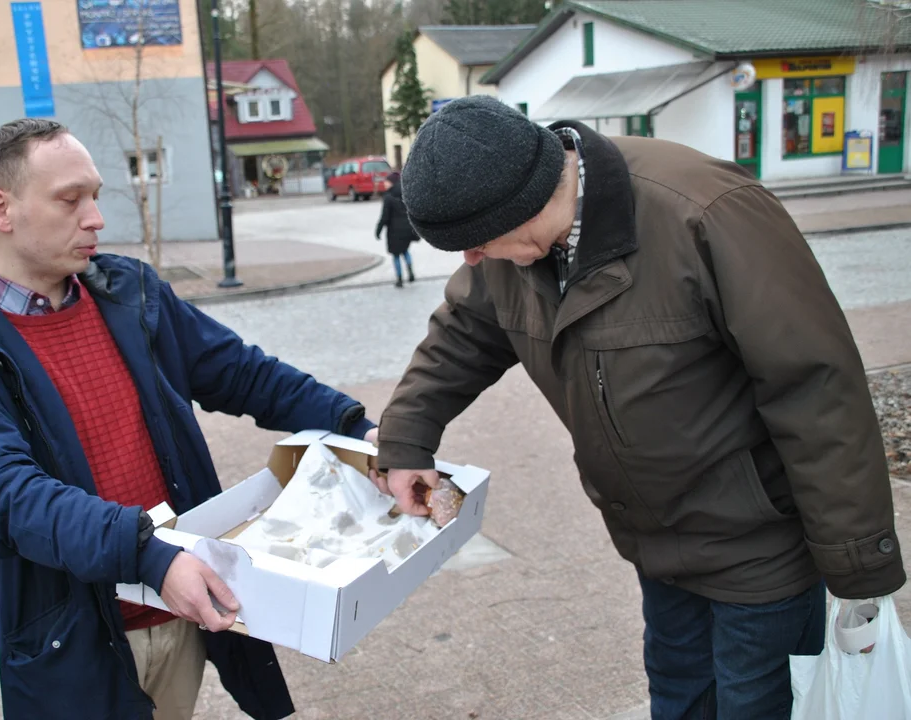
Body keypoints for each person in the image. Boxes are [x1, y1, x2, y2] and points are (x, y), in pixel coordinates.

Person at [369, 95, 905, 719]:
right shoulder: (514, 251)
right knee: (677, 701)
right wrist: (405, 439)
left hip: (759, 549)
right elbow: (461, 335)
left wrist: (858, 564)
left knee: (754, 706)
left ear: (522, 203)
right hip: (657, 545)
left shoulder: (705, 211)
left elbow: (814, 384)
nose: (470, 259)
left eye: (477, 241)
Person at [0, 118, 377, 720]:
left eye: (96, 195)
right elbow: (4, 494)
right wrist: (150, 555)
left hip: (180, 614)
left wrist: (356, 427)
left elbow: (243, 373)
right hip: (76, 641)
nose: (96, 217)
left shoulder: (130, 294)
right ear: (2, 209)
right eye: (70, 199)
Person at [375, 171, 417, 287]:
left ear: (392, 183)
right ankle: (411, 272)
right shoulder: (405, 193)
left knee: (396, 255)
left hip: (394, 231)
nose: (385, 184)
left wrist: (378, 230)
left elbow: (384, 217)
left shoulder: (388, 197)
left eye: (387, 182)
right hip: (406, 229)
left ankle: (399, 279)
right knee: (405, 251)